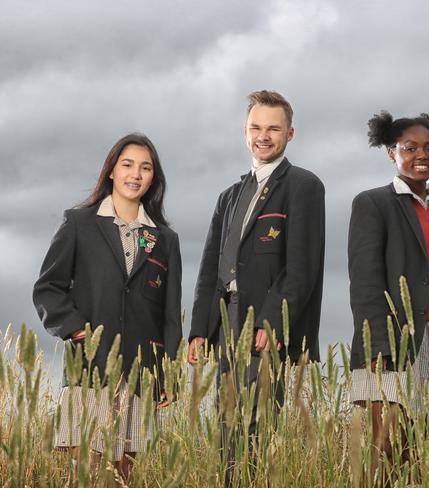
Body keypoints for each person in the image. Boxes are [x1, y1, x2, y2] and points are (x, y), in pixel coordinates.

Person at [33, 133, 182, 484]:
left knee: (123, 477)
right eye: (127, 165)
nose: (136, 174)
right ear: (112, 171)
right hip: (91, 368)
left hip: (142, 374)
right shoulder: (79, 223)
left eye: (146, 168)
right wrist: (75, 329)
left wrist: (169, 373)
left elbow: (170, 313)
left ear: (153, 178)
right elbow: (47, 288)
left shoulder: (164, 239)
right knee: (88, 473)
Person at [188, 90, 325, 445]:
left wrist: (272, 320)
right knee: (226, 423)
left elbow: (302, 266)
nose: (263, 136)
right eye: (256, 127)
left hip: (265, 324)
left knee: (258, 426)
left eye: (274, 129)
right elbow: (210, 268)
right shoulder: (229, 196)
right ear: (245, 131)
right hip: (226, 322)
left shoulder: (303, 186)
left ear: (289, 134)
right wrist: (200, 329)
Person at [348, 111, 429, 481]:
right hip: (389, 341)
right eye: (410, 147)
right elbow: (365, 281)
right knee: (383, 448)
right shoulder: (373, 204)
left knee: (414, 454)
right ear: (391, 152)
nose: (422, 155)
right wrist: (377, 347)